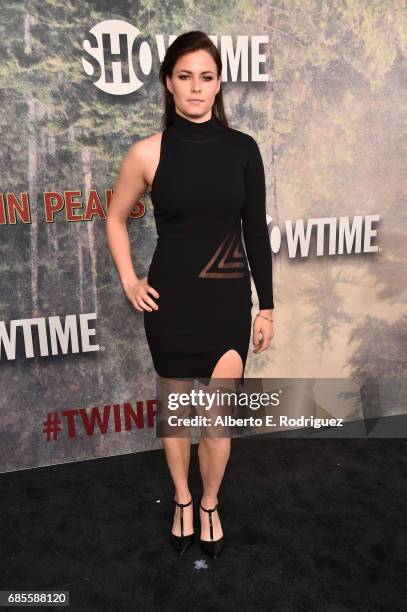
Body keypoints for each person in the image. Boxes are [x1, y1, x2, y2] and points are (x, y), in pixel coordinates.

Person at [106, 31, 274, 559]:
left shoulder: (243, 149)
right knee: (177, 414)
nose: (196, 88)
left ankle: (208, 503)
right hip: (171, 303)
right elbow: (113, 217)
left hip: (227, 304)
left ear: (219, 83)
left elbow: (256, 232)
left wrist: (266, 305)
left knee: (218, 419)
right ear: (168, 84)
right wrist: (130, 280)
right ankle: (181, 497)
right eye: (185, 77)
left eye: (206, 77)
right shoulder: (146, 153)